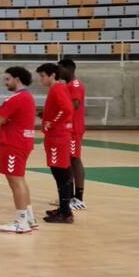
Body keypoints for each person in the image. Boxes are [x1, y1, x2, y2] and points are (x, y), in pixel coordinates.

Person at [0, 67, 38, 234]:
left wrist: (4, 120)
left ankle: (21, 222)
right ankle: (29, 218)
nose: (5, 83)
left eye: (7, 79)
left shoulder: (16, 98)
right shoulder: (28, 97)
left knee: (15, 181)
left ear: (17, 79)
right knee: (20, 180)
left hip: (13, 143)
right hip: (22, 142)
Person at [38, 62, 76, 224]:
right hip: (56, 137)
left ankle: (66, 213)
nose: (41, 80)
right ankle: (63, 208)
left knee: (61, 174)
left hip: (57, 138)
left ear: (52, 75)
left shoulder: (57, 88)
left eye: (42, 76)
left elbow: (67, 109)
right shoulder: (57, 89)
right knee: (61, 174)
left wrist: (52, 123)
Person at [60, 57, 87, 211]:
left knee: (75, 159)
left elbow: (74, 105)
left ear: (68, 69)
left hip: (74, 129)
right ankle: (69, 196)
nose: (58, 72)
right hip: (69, 128)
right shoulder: (68, 85)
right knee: (69, 160)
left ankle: (78, 197)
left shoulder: (75, 85)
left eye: (60, 69)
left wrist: (55, 111)